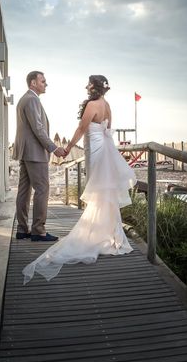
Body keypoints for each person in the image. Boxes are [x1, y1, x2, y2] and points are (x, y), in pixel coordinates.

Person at [22, 75, 136, 284]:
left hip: (95, 150)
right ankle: (110, 234)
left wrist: (67, 148)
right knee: (105, 192)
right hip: (104, 148)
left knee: (98, 190)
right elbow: (109, 130)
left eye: (89, 84)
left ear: (95, 87)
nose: (86, 86)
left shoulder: (92, 105)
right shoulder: (107, 105)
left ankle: (95, 234)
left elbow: (81, 129)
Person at [13, 71, 66, 242]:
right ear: (33, 83)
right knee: (42, 189)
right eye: (43, 81)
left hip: (25, 152)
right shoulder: (32, 99)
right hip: (35, 153)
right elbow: (38, 128)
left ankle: (22, 229)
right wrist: (53, 148)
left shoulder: (24, 99)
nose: (46, 84)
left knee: (24, 191)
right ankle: (38, 230)